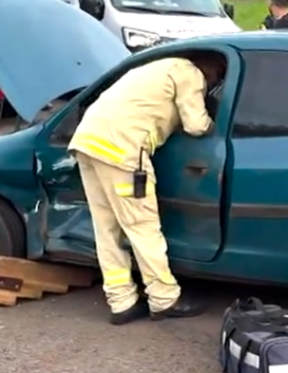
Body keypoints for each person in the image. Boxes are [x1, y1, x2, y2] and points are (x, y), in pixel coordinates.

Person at [69, 54, 223, 324]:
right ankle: (164, 299)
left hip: (87, 143)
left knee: (106, 229)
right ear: (212, 71)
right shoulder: (189, 73)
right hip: (121, 151)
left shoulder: (155, 68)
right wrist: (215, 124)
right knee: (142, 227)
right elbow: (196, 125)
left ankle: (122, 301)